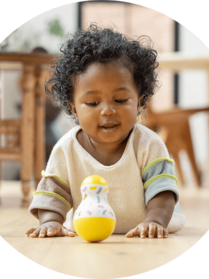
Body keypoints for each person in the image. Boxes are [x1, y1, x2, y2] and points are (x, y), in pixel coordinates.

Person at [25, 23, 186, 239]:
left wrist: (154, 221)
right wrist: (51, 221)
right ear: (73, 108)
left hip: (146, 225)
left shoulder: (148, 144)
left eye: (120, 100)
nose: (108, 110)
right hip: (87, 229)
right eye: (92, 103)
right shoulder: (66, 149)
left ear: (138, 102)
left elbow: (163, 190)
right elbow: (53, 194)